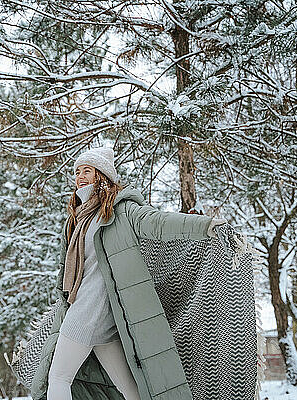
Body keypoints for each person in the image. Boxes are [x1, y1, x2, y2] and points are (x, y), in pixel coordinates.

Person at [44, 146, 227, 400]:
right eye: (77, 172)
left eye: (87, 170)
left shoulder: (121, 210)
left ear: (102, 175)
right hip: (100, 317)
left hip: (87, 313)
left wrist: (206, 226)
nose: (80, 177)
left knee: (58, 378)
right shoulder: (78, 218)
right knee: (130, 390)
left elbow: (159, 223)